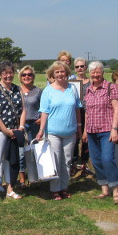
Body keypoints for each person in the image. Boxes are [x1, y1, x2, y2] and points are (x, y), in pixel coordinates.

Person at [36, 62, 81, 200]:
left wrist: (79, 127)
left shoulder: (72, 88)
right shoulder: (48, 91)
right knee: (55, 160)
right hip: (53, 132)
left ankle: (64, 187)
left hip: (70, 132)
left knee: (66, 161)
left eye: (62, 72)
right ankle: (55, 189)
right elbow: (44, 112)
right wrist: (41, 130)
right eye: (57, 72)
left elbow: (77, 109)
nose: (60, 74)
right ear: (52, 75)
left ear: (67, 73)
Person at [82, 62, 118, 203]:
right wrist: (86, 130)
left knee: (107, 159)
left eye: (98, 72)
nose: (95, 75)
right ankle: (104, 189)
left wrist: (114, 129)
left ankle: (115, 189)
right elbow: (87, 112)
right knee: (97, 160)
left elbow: (117, 109)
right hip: (92, 130)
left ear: (102, 73)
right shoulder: (88, 90)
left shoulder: (111, 87)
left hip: (107, 130)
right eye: (93, 72)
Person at [0, 61, 26, 201]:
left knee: (11, 160)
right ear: (0, 74)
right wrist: (5, 130)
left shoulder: (18, 89)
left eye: (10, 72)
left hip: (14, 131)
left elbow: (23, 110)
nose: (8, 75)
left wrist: (20, 128)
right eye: (5, 73)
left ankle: (10, 189)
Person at [18, 65, 42, 185]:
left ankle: (34, 177)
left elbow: (44, 108)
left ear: (33, 76)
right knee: (21, 152)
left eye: (29, 74)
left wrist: (41, 118)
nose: (26, 77)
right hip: (21, 125)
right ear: (20, 77)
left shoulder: (38, 91)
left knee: (34, 151)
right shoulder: (17, 90)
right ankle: (22, 178)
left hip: (34, 124)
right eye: (24, 75)